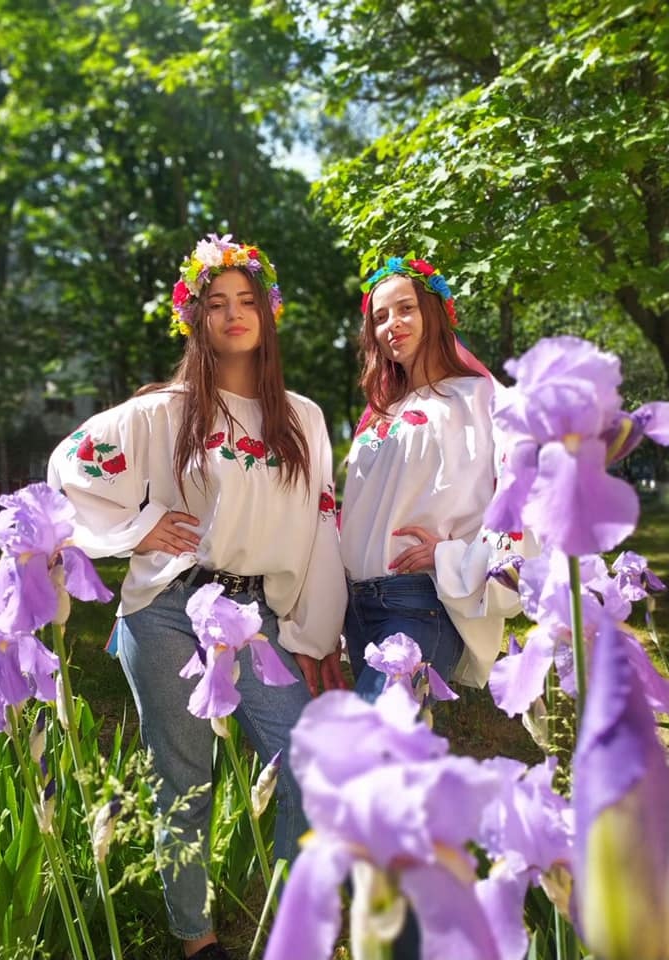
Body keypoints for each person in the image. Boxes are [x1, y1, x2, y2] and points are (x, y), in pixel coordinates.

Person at [48, 233, 347, 960]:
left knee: (306, 763)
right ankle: (198, 938)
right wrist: (140, 527)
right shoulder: (162, 412)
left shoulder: (302, 419)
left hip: (255, 616)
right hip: (167, 611)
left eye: (247, 301)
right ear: (196, 319)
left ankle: (291, 925)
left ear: (268, 314)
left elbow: (319, 528)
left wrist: (314, 635)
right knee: (184, 776)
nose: (234, 314)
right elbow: (69, 466)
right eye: (217, 303)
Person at [339, 254, 525, 703]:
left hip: (419, 604)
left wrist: (455, 555)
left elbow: (520, 496)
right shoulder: (381, 413)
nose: (392, 324)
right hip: (356, 610)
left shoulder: (482, 399)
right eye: (380, 317)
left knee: (372, 733)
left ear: (434, 314)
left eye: (406, 308)